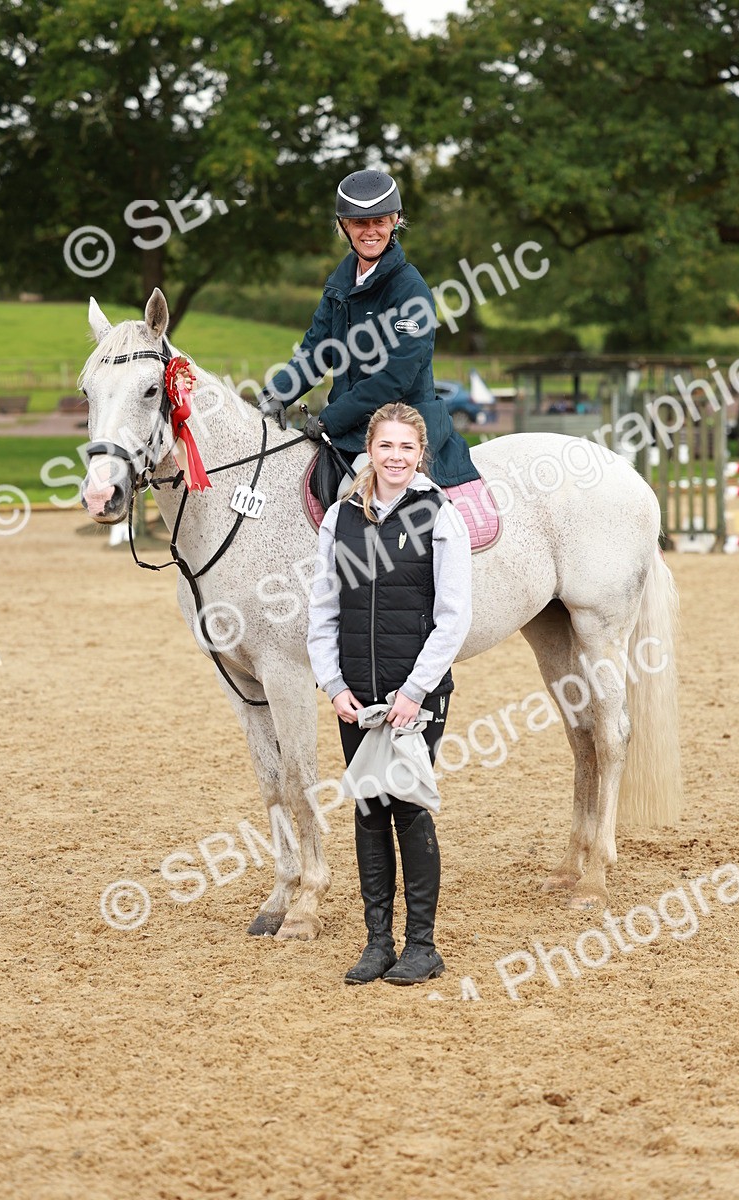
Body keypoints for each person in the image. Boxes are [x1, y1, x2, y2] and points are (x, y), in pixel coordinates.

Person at [307, 403, 473, 985]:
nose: (396, 457)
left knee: (405, 804)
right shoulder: (340, 519)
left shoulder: (439, 515)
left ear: (419, 453)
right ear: (370, 452)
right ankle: (378, 942)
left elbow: (454, 618)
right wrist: (333, 685)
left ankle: (422, 946)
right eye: (386, 447)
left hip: (414, 696)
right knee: (368, 808)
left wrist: (415, 690)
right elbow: (323, 612)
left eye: (406, 448)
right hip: (357, 695)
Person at [258, 169, 478, 488]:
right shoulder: (341, 283)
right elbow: (316, 351)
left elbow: (393, 380)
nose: (370, 231)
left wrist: (329, 420)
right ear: (345, 226)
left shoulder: (410, 291)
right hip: (353, 429)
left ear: (396, 222)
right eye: (360, 223)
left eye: (380, 221)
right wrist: (275, 396)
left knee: (355, 492)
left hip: (403, 426)